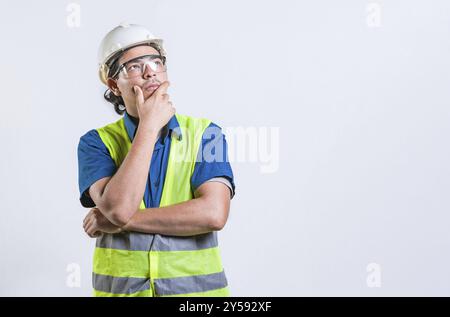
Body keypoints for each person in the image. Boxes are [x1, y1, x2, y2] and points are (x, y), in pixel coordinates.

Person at [77, 23, 235, 297]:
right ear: (114, 84)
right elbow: (119, 206)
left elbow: (213, 214)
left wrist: (116, 220)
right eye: (135, 66)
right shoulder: (95, 143)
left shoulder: (207, 134)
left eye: (156, 62)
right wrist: (149, 127)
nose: (150, 71)